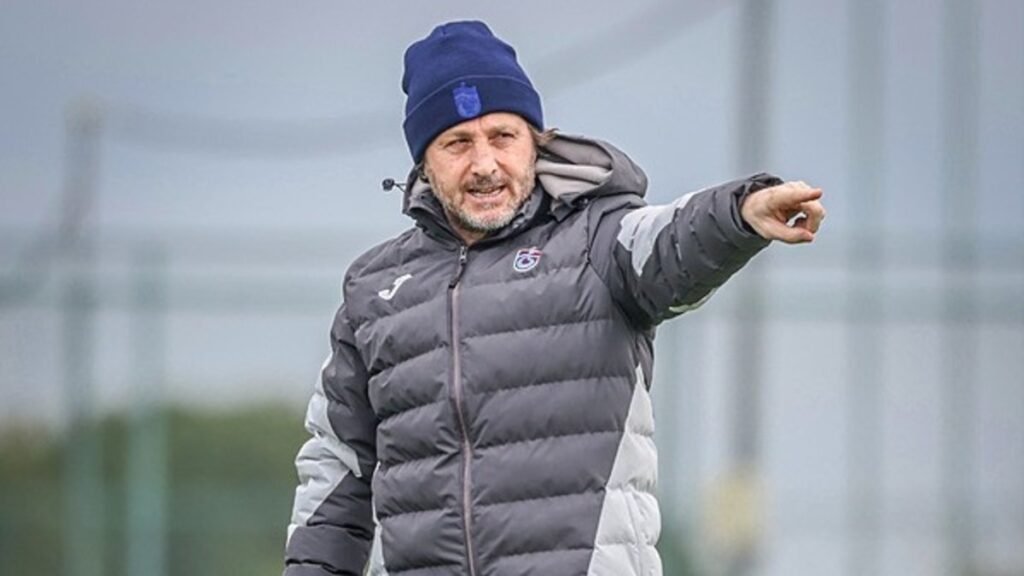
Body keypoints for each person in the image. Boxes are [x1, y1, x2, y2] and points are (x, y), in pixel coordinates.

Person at [283, 20, 825, 576]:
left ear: (535, 142)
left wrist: (740, 213)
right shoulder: (373, 290)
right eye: (457, 143)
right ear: (424, 161)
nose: (485, 164)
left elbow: (670, 240)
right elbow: (335, 473)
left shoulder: (600, 241)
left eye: (503, 136)